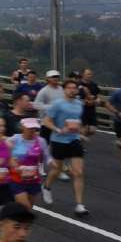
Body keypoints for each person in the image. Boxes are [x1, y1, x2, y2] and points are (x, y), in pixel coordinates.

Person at [41, 79, 88, 216]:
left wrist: (81, 133)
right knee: (56, 170)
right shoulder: (58, 104)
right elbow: (46, 121)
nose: (72, 90)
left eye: (75, 88)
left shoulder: (80, 104)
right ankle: (47, 187)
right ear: (64, 90)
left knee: (78, 172)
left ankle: (79, 205)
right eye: (69, 88)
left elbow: (78, 122)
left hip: (74, 140)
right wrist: (57, 129)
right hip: (58, 141)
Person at [8, 118, 49, 210]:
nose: (32, 130)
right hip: (16, 179)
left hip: (33, 180)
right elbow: (3, 151)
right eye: (29, 127)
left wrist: (51, 162)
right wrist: (11, 160)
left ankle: (16, 218)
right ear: (23, 127)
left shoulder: (40, 141)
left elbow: (47, 156)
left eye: (34, 128)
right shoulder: (15, 139)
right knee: (26, 207)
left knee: (29, 208)